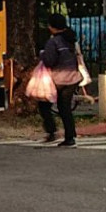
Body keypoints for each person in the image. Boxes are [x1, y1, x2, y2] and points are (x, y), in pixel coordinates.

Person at [38, 14, 81, 148]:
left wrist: (42, 54)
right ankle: (70, 137)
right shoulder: (71, 39)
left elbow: (49, 61)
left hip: (58, 78)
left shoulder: (53, 42)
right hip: (73, 77)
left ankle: (51, 131)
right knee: (65, 108)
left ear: (52, 27)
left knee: (43, 105)